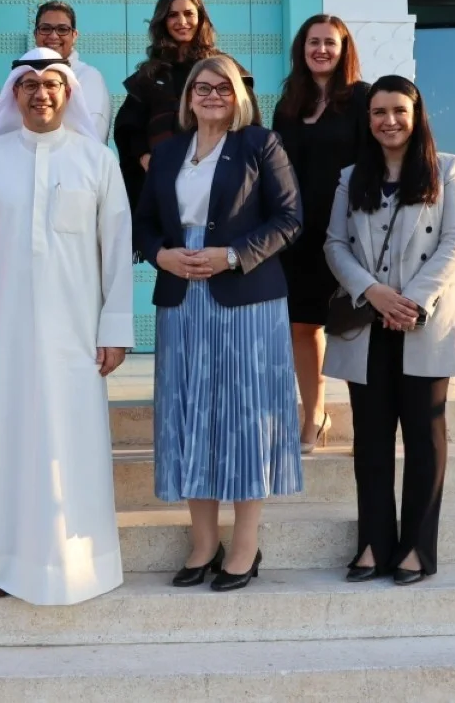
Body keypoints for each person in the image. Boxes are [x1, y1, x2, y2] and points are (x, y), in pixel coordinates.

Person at [0, 47, 133, 605]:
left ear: (68, 93)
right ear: (15, 94)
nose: (41, 93)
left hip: (74, 334)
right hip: (0, 331)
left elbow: (117, 250)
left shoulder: (97, 160)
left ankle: (77, 564)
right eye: (29, 85)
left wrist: (114, 329)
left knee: (68, 444)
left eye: (52, 84)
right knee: (3, 441)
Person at [135, 54, 303, 592]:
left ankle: (246, 544)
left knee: (243, 418)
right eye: (201, 88)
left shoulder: (261, 144)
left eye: (222, 89)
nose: (211, 96)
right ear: (188, 97)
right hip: (182, 296)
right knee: (190, 417)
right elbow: (143, 226)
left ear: (239, 97)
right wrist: (161, 256)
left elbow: (290, 218)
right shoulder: (165, 155)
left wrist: (231, 255)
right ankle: (204, 542)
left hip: (246, 297)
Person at [323, 75, 455, 586]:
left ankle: (415, 548)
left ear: (416, 114)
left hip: (424, 320)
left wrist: (410, 300)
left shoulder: (448, 169)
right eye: (378, 112)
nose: (389, 121)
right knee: (370, 438)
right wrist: (373, 293)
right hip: (369, 321)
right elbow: (334, 244)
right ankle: (373, 543)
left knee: (424, 436)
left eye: (399, 111)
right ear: (367, 120)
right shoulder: (351, 177)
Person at [272, 14, 371, 454]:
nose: (321, 50)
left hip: (350, 231)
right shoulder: (289, 101)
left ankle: (370, 416)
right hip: (298, 231)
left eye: (330, 42)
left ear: (344, 48)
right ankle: (313, 414)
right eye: (314, 42)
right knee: (303, 325)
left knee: (353, 326)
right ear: (302, 48)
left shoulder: (363, 98)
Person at [113, 0, 254, 222]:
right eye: (173, 15)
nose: (182, 21)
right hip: (166, 182)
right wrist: (145, 159)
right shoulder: (150, 75)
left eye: (189, 13)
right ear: (162, 22)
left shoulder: (224, 68)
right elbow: (129, 127)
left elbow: (247, 118)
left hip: (217, 179)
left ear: (201, 19)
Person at [32, 0, 111, 142]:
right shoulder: (22, 76)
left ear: (74, 35)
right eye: (45, 29)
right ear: (36, 34)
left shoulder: (88, 77)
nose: (53, 36)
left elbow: (92, 136)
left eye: (62, 29)